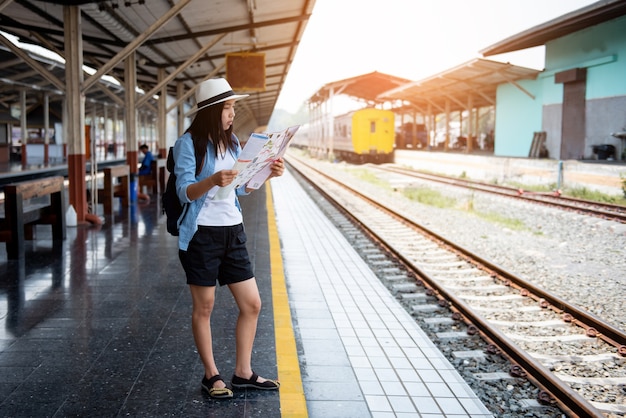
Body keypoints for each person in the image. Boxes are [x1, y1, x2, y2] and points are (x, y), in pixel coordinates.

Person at [173, 78, 283, 399]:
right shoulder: (189, 144)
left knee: (252, 304)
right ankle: (212, 376)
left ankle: (243, 372)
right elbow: (184, 192)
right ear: (211, 111)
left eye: (233, 107)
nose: (232, 113)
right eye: (228, 107)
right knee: (204, 307)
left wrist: (266, 174)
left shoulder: (233, 143)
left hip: (233, 231)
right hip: (201, 236)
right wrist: (211, 180)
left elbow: (240, 187)